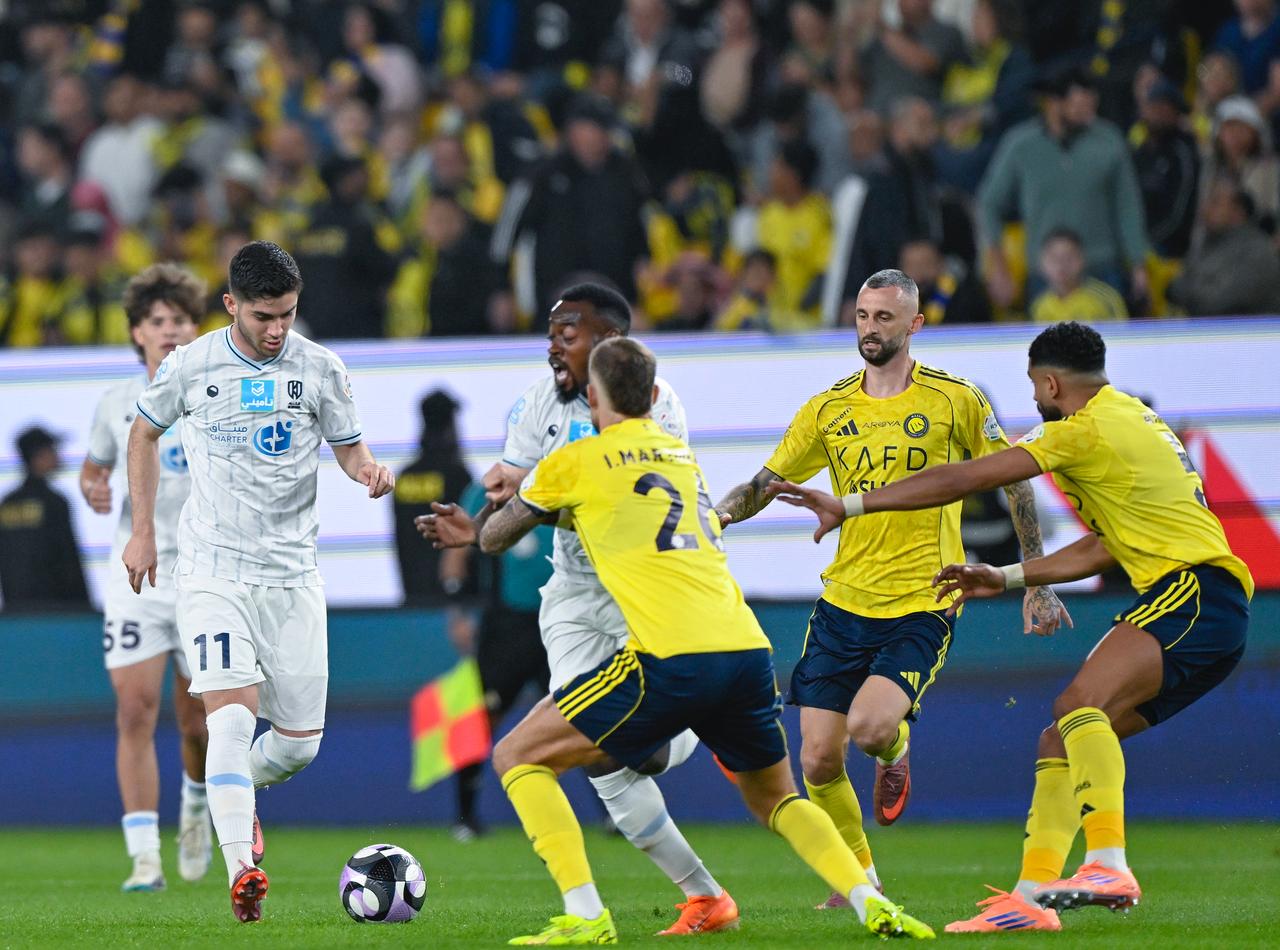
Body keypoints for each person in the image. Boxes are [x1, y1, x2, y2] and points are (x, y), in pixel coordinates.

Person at [768, 321, 1252, 933]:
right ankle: (1030, 900)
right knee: (1060, 739)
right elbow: (1105, 544)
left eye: (1033, 388)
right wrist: (1009, 577)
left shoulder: (1081, 429)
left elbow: (967, 477)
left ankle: (1108, 863)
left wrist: (853, 504)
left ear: (1051, 383)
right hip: (1208, 606)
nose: (1034, 400)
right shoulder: (1132, 418)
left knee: (1078, 704)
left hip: (1194, 592)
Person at [476, 336, 935, 944]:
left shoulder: (574, 461)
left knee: (518, 756)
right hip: (745, 651)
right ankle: (871, 901)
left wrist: (516, 501)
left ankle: (586, 916)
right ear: (652, 397)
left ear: (593, 398)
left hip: (669, 657)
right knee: (777, 800)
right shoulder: (679, 458)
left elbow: (494, 537)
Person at [713, 269, 1065, 908]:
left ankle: (895, 748)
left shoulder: (956, 400)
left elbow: (1013, 479)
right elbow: (765, 484)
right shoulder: (828, 409)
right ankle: (861, 880)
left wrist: (1034, 579)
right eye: (862, 316)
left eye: (883, 317)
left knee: (871, 728)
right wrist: (717, 518)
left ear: (915, 324)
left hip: (923, 599)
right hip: (843, 602)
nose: (869, 328)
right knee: (817, 762)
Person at [415, 283, 732, 936]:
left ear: (610, 342)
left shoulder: (658, 404)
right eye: (551, 334)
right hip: (568, 597)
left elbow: (625, 502)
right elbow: (509, 485)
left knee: (609, 751)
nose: (553, 346)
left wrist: (515, 515)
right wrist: (488, 515)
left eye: (568, 333)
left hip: (636, 589)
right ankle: (698, 898)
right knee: (602, 759)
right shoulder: (536, 403)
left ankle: (691, 732)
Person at [122, 241, 394, 923]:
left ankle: (227, 795)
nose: (277, 330)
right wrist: (144, 530)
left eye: (288, 315)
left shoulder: (321, 367)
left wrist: (366, 469)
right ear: (231, 305)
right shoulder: (191, 365)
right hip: (213, 571)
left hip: (293, 577)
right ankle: (241, 867)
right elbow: (142, 435)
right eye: (264, 316)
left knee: (299, 746)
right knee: (231, 717)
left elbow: (349, 445)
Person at [79, 263, 212, 891]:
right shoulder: (115, 403)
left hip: (204, 574)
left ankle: (195, 809)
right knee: (134, 710)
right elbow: (93, 467)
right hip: (137, 572)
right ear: (137, 332)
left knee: (198, 725)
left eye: (179, 319)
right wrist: (94, 486)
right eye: (156, 321)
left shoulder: (215, 394)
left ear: (195, 328)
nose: (169, 330)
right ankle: (144, 858)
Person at [446, 478, 554, 840]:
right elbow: (455, 556)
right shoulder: (483, 492)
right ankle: (465, 817)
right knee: (480, 718)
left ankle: (615, 815)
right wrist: (458, 610)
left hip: (561, 621)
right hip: (505, 626)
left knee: (581, 715)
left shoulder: (568, 482)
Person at [393, 391, 474, 606]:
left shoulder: (405, 477)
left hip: (413, 597)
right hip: (453, 600)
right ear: (450, 426)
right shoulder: (457, 476)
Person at [0, 426, 89, 611]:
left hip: (16, 612)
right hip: (57, 611)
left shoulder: (8, 504)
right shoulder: (54, 502)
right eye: (52, 450)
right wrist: (85, 609)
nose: (57, 456)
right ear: (38, 457)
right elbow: (69, 562)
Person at [1029, 229, 1129, 323]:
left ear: (1082, 259)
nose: (1061, 264)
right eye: (1054, 258)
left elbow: (1121, 334)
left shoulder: (1104, 299)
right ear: (1041, 263)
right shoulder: (1038, 306)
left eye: (1068, 258)